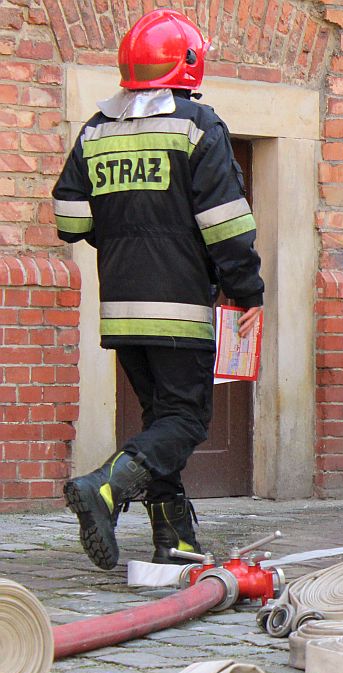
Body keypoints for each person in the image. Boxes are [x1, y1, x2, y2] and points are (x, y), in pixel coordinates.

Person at [53, 9, 264, 570]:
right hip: (180, 307)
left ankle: (176, 540)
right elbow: (227, 224)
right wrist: (247, 292)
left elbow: (70, 218)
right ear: (189, 65)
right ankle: (105, 488)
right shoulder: (198, 125)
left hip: (120, 308)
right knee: (187, 420)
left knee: (160, 423)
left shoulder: (95, 129)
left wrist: (122, 238)